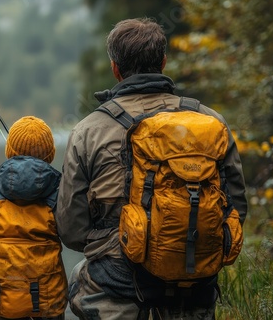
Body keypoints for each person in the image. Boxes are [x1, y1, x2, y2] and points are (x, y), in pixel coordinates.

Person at [55, 18, 248, 319]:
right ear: (163, 61)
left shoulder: (88, 130)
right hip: (196, 285)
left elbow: (71, 230)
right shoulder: (211, 121)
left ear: (115, 68)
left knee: (80, 275)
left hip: (117, 287)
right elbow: (236, 208)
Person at [0, 116, 68, 320]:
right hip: (49, 297)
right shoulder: (58, 199)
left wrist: (1, 257)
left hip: (6, 292)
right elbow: (74, 234)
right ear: (50, 155)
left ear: (9, 152)